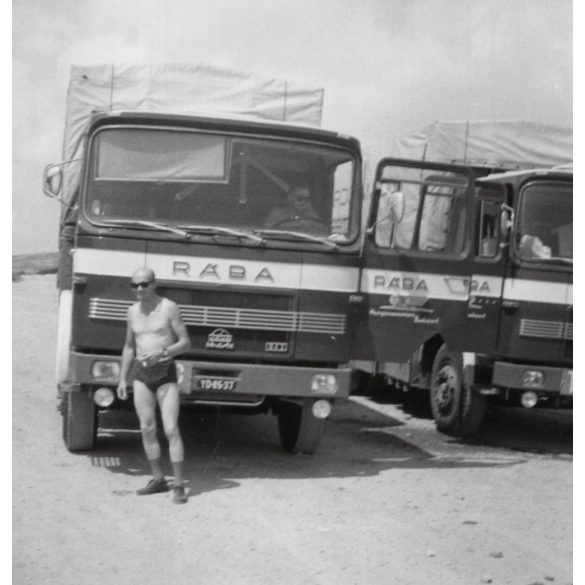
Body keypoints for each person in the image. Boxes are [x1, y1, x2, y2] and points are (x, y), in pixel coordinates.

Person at [116, 267, 191, 504]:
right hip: (141, 373)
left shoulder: (169, 307)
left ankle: (179, 485)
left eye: (144, 284)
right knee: (146, 428)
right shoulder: (132, 312)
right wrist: (122, 378)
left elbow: (186, 343)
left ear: (154, 285)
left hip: (164, 372)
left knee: (170, 429)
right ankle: (158, 479)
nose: (140, 289)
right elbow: (129, 346)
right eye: (135, 285)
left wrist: (164, 352)